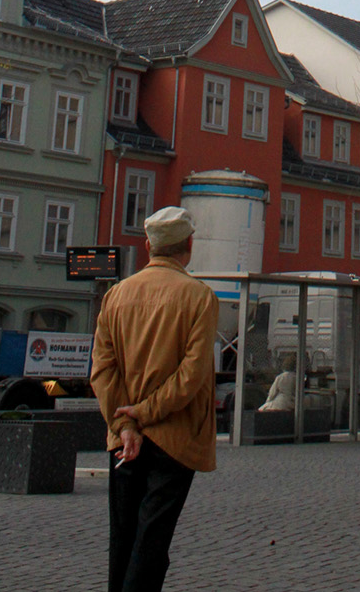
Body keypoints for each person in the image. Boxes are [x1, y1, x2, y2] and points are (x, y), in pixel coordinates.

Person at [91, 206, 219, 592]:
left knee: (123, 539)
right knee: (152, 541)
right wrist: (147, 413)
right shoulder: (199, 298)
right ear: (189, 246)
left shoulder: (115, 296)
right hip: (175, 437)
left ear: (148, 246)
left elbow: (102, 370)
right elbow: (191, 376)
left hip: (124, 440)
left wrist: (126, 423)